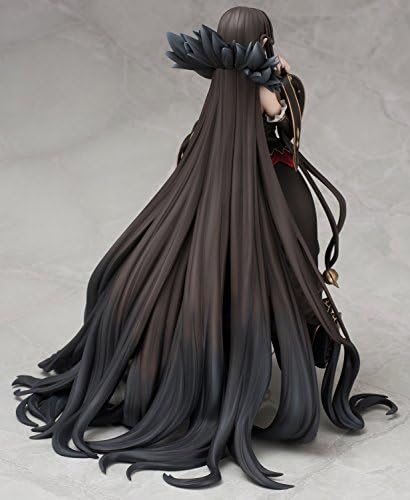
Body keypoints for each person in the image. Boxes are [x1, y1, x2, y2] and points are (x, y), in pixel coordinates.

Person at [12, 6, 398, 491]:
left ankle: (267, 344)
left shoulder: (246, 84)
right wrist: (270, 91)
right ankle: (229, 361)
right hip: (244, 192)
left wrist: (271, 86)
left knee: (284, 256)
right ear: (264, 40)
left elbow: (275, 129)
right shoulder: (253, 87)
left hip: (255, 184)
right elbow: (271, 127)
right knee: (268, 258)